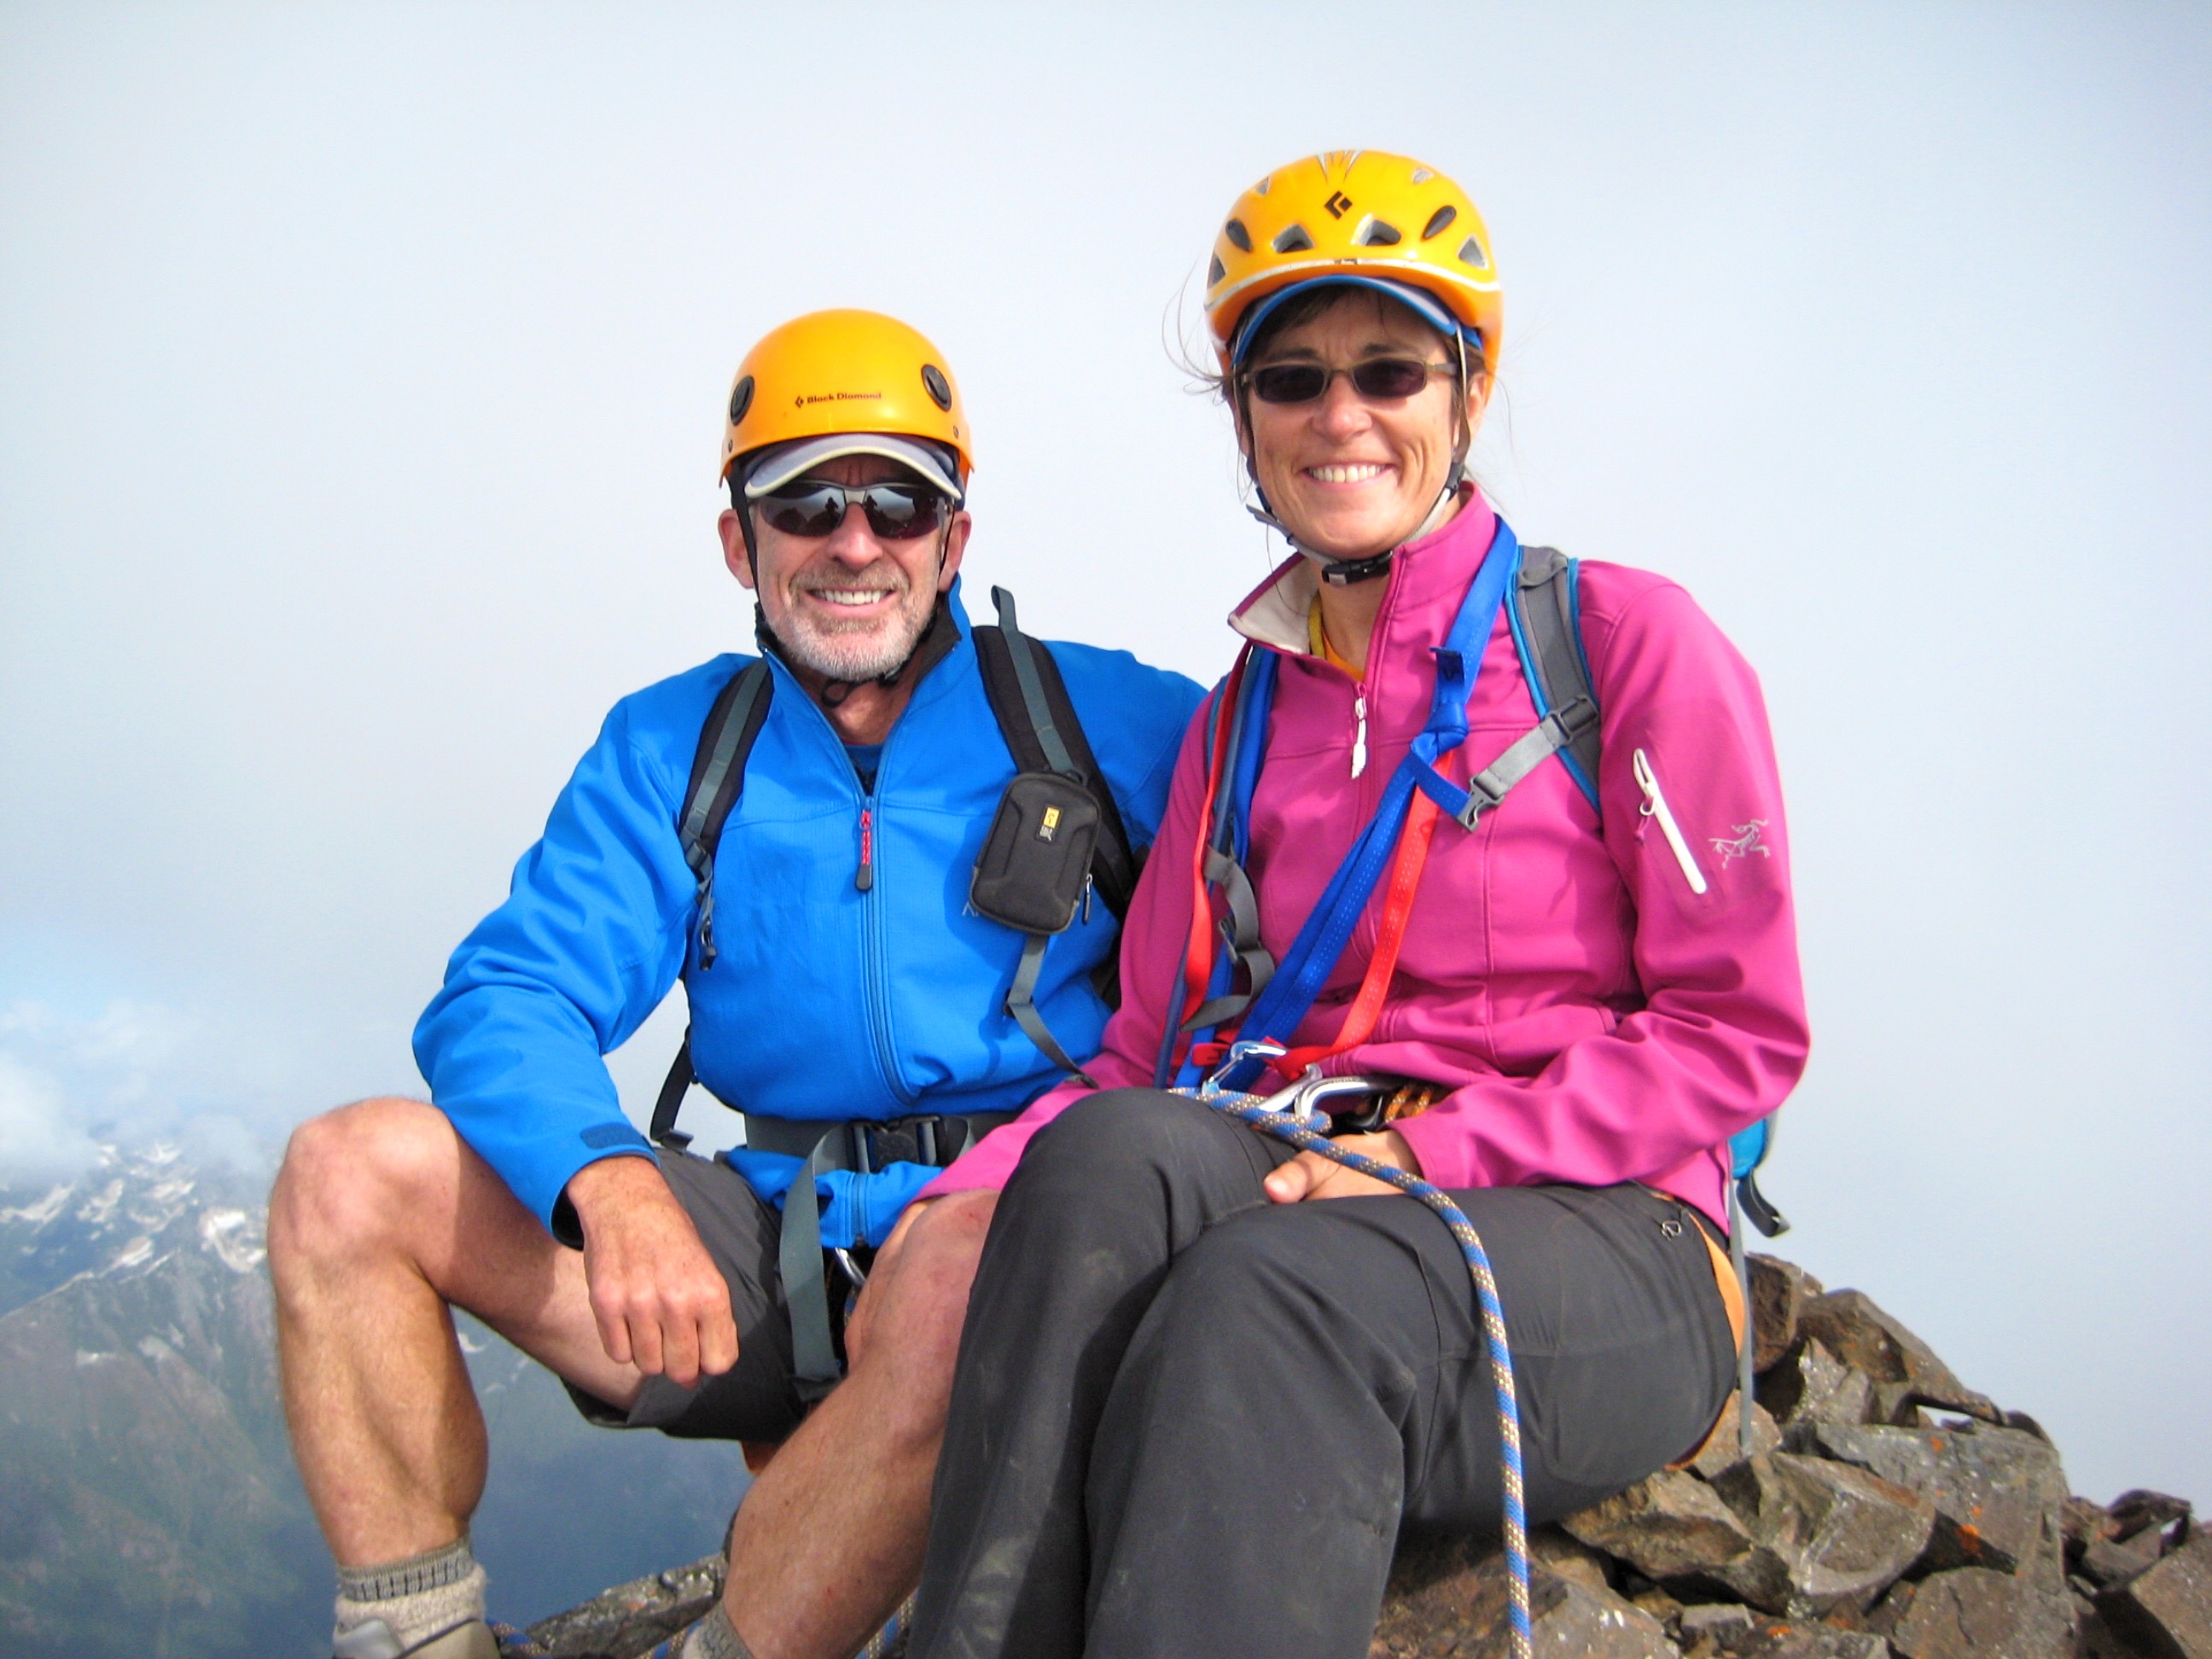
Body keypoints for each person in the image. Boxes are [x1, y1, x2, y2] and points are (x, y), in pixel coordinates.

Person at [904, 150, 1811, 1659]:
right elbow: (1142, 1057)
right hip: (1317, 1162)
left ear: (1466, 390)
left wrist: (1432, 1156)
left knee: (1270, 1306)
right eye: (1289, 378)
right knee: (1099, 1172)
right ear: (1244, 421)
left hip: (1608, 1230)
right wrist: (954, 1208)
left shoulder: (1628, 645)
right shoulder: (1240, 721)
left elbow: (1734, 1035)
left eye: (1390, 367)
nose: (1341, 416)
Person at [267, 308, 1202, 1659]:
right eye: (805, 502)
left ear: (956, 536)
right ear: (738, 542)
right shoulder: (677, 749)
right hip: (773, 1256)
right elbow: (506, 998)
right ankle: (419, 1639)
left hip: (1025, 1233)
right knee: (344, 1177)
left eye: (899, 500)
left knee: (959, 1290)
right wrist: (611, 1177)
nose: (855, 541)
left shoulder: (1111, 722)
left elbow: (1283, 918)